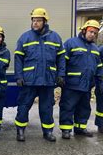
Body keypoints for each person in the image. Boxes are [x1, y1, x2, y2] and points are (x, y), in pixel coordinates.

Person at [14, 8, 65, 142]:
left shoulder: (55, 37)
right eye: (34, 20)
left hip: (48, 80)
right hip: (30, 80)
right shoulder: (25, 37)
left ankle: (48, 131)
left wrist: (61, 75)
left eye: (38, 20)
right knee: (24, 106)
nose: (35, 23)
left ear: (45, 21)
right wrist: (19, 76)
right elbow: (18, 59)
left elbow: (61, 58)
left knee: (47, 107)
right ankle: (20, 131)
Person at [59, 20, 103, 139]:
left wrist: (100, 81)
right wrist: (61, 76)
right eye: (90, 32)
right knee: (68, 106)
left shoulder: (95, 48)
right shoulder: (71, 43)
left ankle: (80, 127)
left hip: (87, 85)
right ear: (84, 31)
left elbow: (99, 67)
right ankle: (66, 130)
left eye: (95, 33)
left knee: (84, 108)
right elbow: (63, 61)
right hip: (71, 84)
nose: (92, 35)